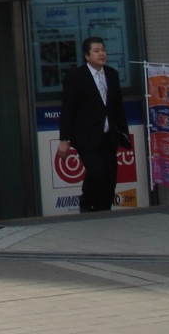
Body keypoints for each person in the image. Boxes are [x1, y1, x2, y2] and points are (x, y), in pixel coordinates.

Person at [58, 37, 131, 213]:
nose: (101, 54)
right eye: (96, 51)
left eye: (103, 50)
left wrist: (123, 133)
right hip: (86, 136)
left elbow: (118, 106)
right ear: (87, 55)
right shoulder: (75, 77)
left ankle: (103, 210)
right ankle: (86, 205)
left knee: (110, 176)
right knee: (97, 171)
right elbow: (68, 109)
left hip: (108, 135)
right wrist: (64, 139)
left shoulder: (111, 74)